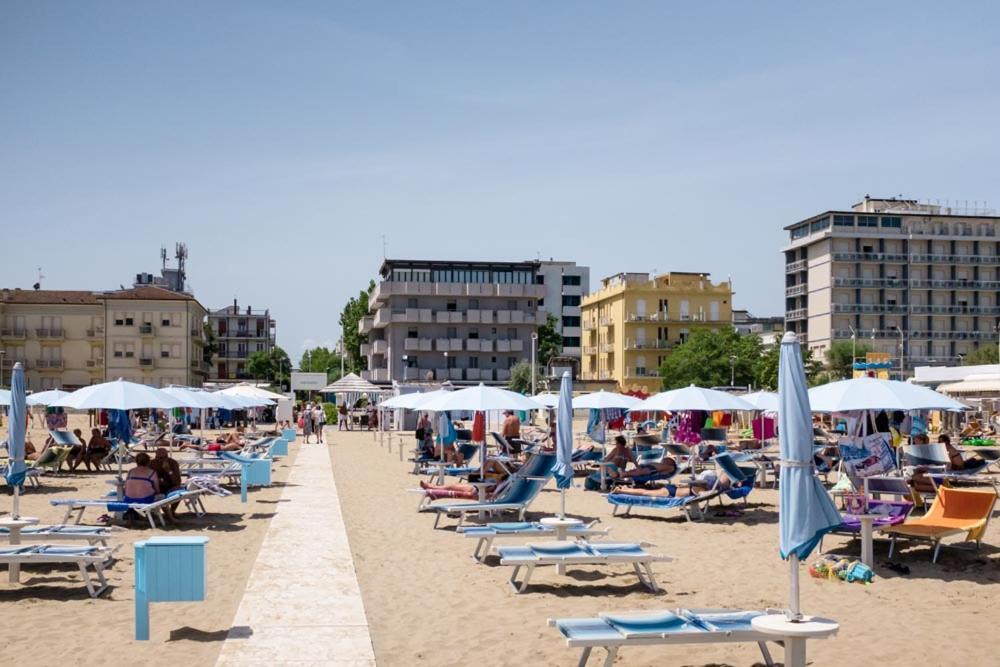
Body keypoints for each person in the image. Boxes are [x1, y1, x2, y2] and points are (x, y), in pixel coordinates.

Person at [611, 467, 730, 498]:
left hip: (673, 489)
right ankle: (622, 490)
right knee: (644, 493)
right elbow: (720, 483)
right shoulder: (702, 491)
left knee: (645, 492)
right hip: (670, 492)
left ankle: (623, 489)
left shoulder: (700, 488)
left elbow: (721, 478)